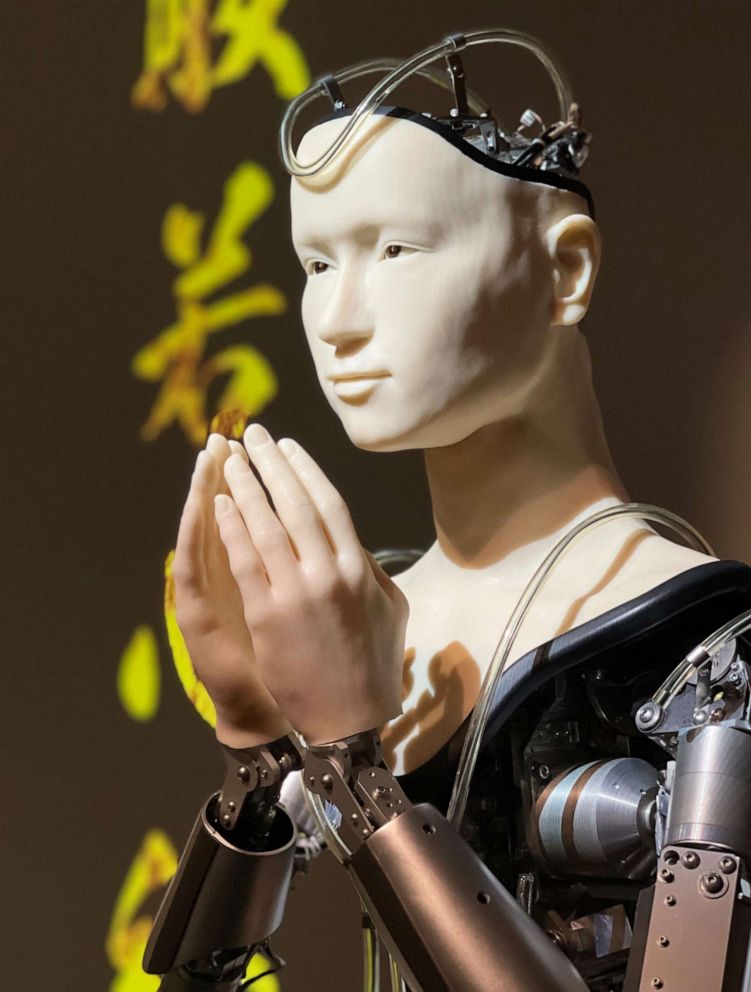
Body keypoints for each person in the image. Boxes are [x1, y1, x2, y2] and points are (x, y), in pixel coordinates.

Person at [153, 38, 751, 991]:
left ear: (565, 272)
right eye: (315, 262)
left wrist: (354, 765)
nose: (338, 319)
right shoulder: (371, 614)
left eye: (396, 249)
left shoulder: (706, 642)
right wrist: (256, 750)